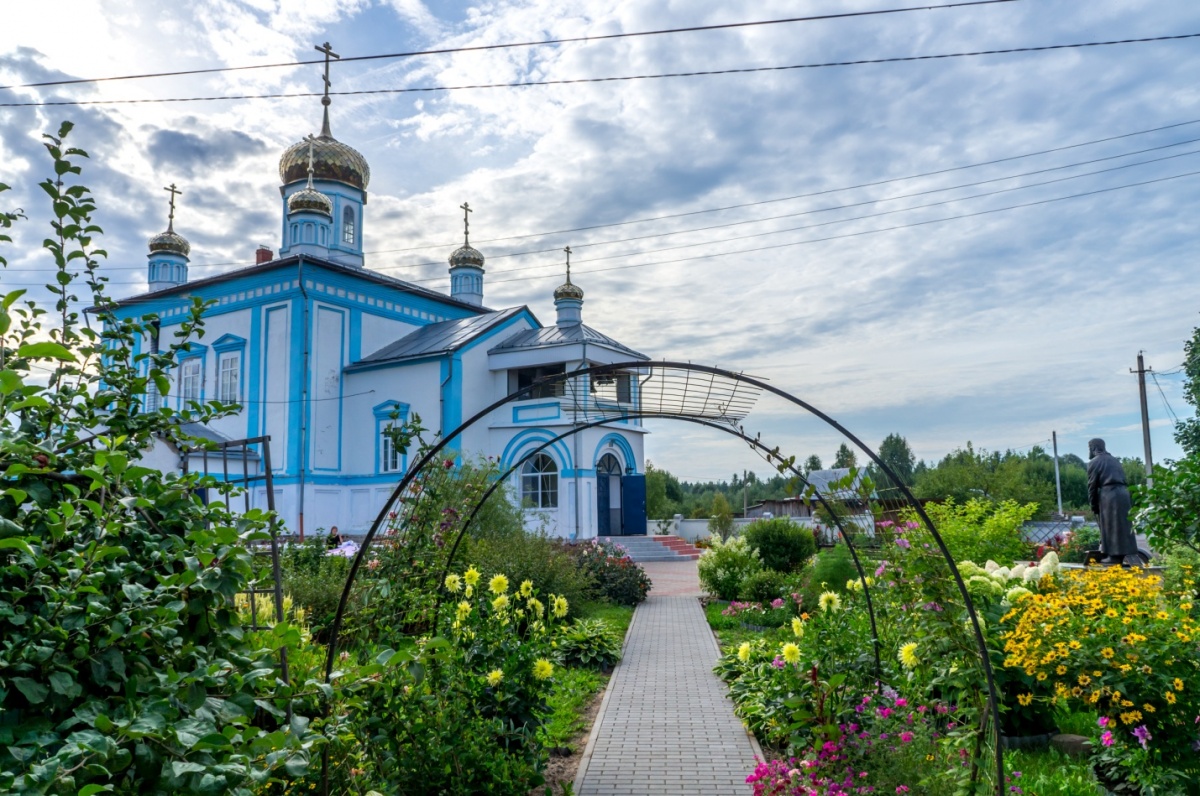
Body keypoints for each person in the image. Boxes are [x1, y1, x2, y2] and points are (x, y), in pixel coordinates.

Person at [1086, 438, 1137, 563]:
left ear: (1093, 448)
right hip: (1123, 494)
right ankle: (1119, 555)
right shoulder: (1115, 460)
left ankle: (1114, 557)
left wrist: (1093, 505)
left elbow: (1092, 486)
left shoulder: (1094, 462)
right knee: (1122, 525)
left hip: (1110, 494)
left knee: (1111, 524)